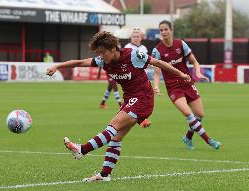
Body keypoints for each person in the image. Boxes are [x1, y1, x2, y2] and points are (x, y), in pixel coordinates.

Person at [46, 31, 191, 182]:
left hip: (143, 99)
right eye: (98, 53)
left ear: (113, 49)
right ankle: (104, 175)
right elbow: (81, 62)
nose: (100, 56)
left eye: (102, 53)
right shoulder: (103, 61)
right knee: (116, 137)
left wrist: (180, 74)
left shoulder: (133, 55)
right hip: (130, 100)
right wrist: (58, 66)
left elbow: (158, 63)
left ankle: (82, 150)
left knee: (113, 125)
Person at [152, 20, 221, 151]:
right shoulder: (157, 50)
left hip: (187, 83)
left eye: (166, 29)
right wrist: (156, 86)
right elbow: (156, 73)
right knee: (187, 113)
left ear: (171, 30)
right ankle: (209, 140)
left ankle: (188, 137)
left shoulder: (180, 44)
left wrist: (198, 72)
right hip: (173, 88)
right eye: (161, 30)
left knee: (199, 114)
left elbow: (194, 61)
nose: (163, 32)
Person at [124, 28, 157, 127]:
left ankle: (140, 119)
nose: (136, 38)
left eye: (137, 36)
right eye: (134, 36)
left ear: (141, 38)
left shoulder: (143, 48)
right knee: (134, 98)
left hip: (142, 77)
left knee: (140, 98)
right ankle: (134, 118)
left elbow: (146, 62)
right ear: (131, 38)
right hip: (131, 78)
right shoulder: (128, 47)